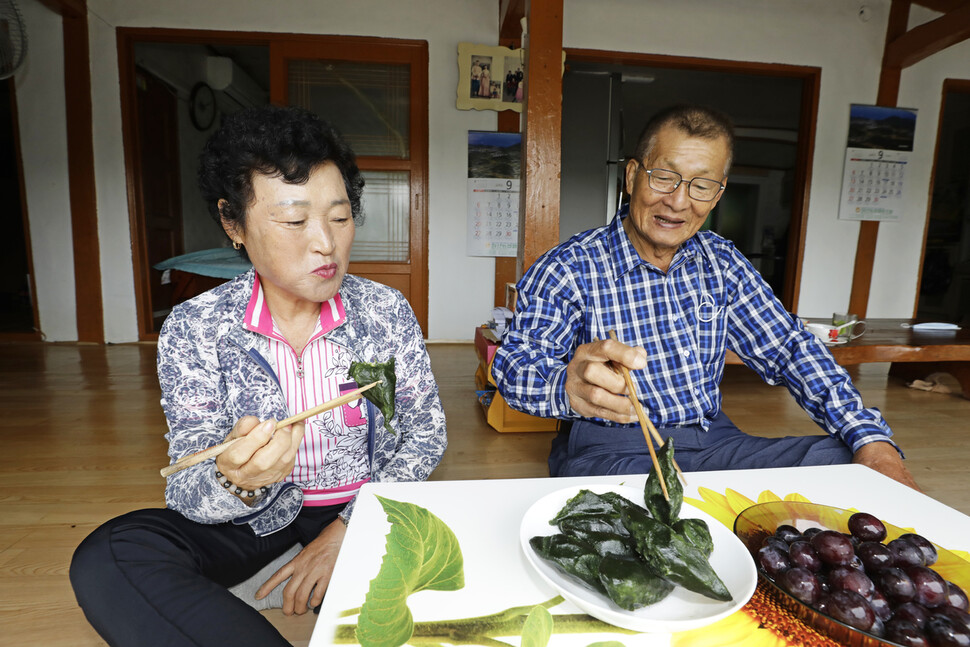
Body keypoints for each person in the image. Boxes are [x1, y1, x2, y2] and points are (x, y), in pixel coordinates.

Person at [70, 105, 447, 646]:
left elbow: (425, 435)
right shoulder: (196, 327)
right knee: (111, 553)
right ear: (233, 223)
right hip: (252, 524)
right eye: (294, 221)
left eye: (340, 218)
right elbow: (189, 489)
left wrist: (349, 528)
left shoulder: (384, 312)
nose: (326, 243)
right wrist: (235, 480)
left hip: (369, 508)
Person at [491, 104, 917, 490]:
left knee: (854, 465)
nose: (678, 202)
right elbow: (516, 368)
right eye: (664, 176)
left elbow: (791, 349)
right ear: (633, 175)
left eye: (701, 185)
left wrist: (870, 437)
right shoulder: (568, 266)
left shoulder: (722, 263)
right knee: (656, 519)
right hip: (611, 447)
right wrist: (564, 386)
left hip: (714, 443)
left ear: (718, 193)